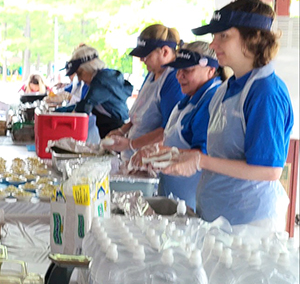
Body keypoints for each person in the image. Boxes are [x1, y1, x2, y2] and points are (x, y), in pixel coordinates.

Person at [162, 0, 294, 229]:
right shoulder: (226, 88)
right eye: (214, 36)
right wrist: (173, 155)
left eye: (223, 36)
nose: (213, 44)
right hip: (218, 216)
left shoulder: (265, 92)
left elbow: (269, 170)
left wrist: (200, 161)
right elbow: (223, 155)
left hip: (249, 225)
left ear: (253, 38)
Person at [131, 42, 224, 210]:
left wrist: (159, 154)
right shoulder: (190, 97)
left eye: (187, 71)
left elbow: (200, 156)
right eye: (178, 70)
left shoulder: (210, 102)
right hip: (173, 196)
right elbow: (174, 140)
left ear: (210, 70)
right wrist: (154, 151)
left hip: (191, 202)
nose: (179, 76)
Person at [107, 24, 184, 159]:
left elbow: (168, 130)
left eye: (147, 55)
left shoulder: (173, 80)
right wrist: (122, 131)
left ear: (165, 52)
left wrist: (131, 144)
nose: (142, 60)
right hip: (133, 155)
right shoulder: (152, 73)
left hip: (151, 159)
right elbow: (140, 115)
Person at [65, 45, 132, 138]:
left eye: (79, 73)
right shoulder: (101, 79)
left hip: (117, 129)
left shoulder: (102, 81)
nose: (79, 79)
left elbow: (85, 105)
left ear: (88, 68)